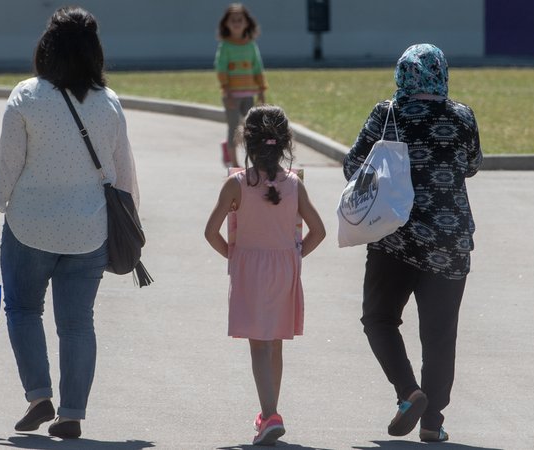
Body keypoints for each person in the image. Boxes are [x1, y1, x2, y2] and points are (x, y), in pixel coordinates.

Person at [0, 6, 139, 440]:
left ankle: (39, 396)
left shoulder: (26, 96)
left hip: (29, 229)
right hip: (89, 232)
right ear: (94, 52)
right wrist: (132, 226)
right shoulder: (108, 103)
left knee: (23, 310)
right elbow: (123, 173)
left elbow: (6, 168)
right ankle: (72, 412)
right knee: (78, 324)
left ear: (47, 48)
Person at [343, 44, 483, 443]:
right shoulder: (462, 117)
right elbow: (472, 165)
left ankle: (409, 393)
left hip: (394, 237)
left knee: (379, 319)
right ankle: (433, 421)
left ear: (402, 75)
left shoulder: (387, 114)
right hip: (450, 241)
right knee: (440, 334)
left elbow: (354, 165)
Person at [205, 105, 325, 446]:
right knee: (275, 344)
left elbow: (211, 232)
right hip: (285, 267)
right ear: (285, 143)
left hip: (250, 268)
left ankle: (270, 414)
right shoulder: (294, 184)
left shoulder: (236, 184)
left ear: (247, 143)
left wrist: (233, 254)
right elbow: (317, 231)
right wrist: (295, 254)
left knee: (258, 345)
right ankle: (269, 409)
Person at [215, 3, 267, 168]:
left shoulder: (251, 45)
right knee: (233, 128)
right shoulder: (225, 46)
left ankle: (254, 161)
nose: (236, 23)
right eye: (233, 20)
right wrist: (227, 91)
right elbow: (221, 68)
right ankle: (235, 165)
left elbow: (257, 67)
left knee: (251, 128)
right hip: (231, 96)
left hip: (248, 94)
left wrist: (261, 90)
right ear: (226, 24)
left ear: (246, 23)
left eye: (240, 19)